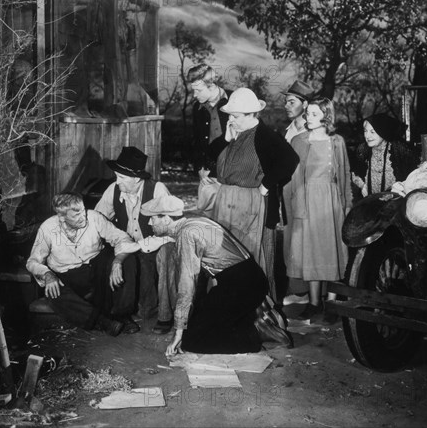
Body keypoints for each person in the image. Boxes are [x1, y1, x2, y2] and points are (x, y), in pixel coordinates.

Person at [140, 195, 293, 355]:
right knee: (202, 324)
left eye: (152, 218)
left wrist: (178, 332)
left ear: (165, 219)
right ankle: (256, 316)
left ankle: (257, 332)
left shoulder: (187, 235)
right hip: (249, 279)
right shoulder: (193, 221)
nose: (150, 222)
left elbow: (186, 287)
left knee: (192, 341)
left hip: (240, 286)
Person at [210, 87, 299, 300]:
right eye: (229, 115)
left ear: (251, 115)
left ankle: (257, 315)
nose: (230, 119)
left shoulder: (265, 135)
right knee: (226, 259)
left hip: (252, 209)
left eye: (235, 116)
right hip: (227, 205)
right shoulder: (234, 132)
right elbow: (210, 155)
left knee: (253, 259)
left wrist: (267, 184)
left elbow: (290, 160)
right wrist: (226, 138)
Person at [26, 192, 144, 336]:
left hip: (96, 270)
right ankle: (101, 322)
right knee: (53, 293)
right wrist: (48, 274)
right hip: (68, 276)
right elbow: (32, 261)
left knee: (128, 260)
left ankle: (122, 315)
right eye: (76, 215)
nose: (83, 217)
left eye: (83, 211)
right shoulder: (47, 229)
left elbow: (123, 238)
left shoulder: (94, 217)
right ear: (62, 217)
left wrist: (117, 262)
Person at [283, 97, 353, 321]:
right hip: (307, 201)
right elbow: (291, 178)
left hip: (331, 202)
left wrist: (347, 204)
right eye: (307, 114)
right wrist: (293, 207)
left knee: (331, 249)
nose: (308, 118)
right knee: (312, 251)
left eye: (314, 114)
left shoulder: (338, 142)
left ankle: (331, 304)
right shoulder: (298, 140)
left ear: (327, 115)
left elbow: (344, 175)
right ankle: (314, 304)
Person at [94, 146, 175, 334]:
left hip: (155, 242)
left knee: (159, 258)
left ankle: (162, 313)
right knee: (114, 261)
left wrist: (142, 245)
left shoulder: (157, 189)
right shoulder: (113, 189)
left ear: (137, 179)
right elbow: (98, 219)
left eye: (122, 177)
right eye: (116, 176)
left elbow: (169, 228)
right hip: (126, 244)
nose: (117, 181)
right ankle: (121, 313)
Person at [280, 80, 315, 306]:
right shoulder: (289, 130)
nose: (286, 105)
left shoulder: (311, 132)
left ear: (305, 104)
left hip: (305, 192)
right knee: (290, 239)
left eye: (291, 101)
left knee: (304, 240)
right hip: (287, 191)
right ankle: (297, 288)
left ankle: (305, 293)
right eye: (286, 101)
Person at [351, 113, 419, 199]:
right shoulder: (362, 149)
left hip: (395, 202)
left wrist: (398, 191)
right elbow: (355, 173)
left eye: (372, 132)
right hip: (370, 201)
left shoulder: (399, 149)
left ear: (383, 132)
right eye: (365, 131)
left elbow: (413, 176)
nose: (367, 136)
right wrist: (362, 185)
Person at [188, 64, 230, 177]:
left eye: (198, 90)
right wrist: (199, 168)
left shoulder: (234, 99)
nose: (194, 95)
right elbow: (197, 140)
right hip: (208, 174)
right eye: (193, 90)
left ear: (211, 85)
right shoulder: (197, 107)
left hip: (234, 171)